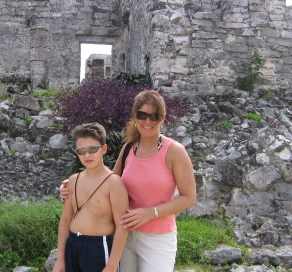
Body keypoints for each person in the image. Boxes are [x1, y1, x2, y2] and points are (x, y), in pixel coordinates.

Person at [61, 89, 197, 272]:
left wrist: (150, 213)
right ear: (134, 116)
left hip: (157, 238)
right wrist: (71, 187)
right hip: (125, 234)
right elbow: (106, 182)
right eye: (142, 115)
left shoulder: (174, 151)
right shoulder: (128, 149)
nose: (147, 121)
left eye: (154, 116)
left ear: (162, 118)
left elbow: (189, 198)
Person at [53, 122, 129, 272]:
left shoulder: (114, 183)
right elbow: (66, 220)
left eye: (93, 149)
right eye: (82, 151)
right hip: (73, 245)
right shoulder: (73, 180)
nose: (87, 155)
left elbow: (122, 225)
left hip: (98, 248)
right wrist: (60, 260)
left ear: (104, 149)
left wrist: (112, 265)